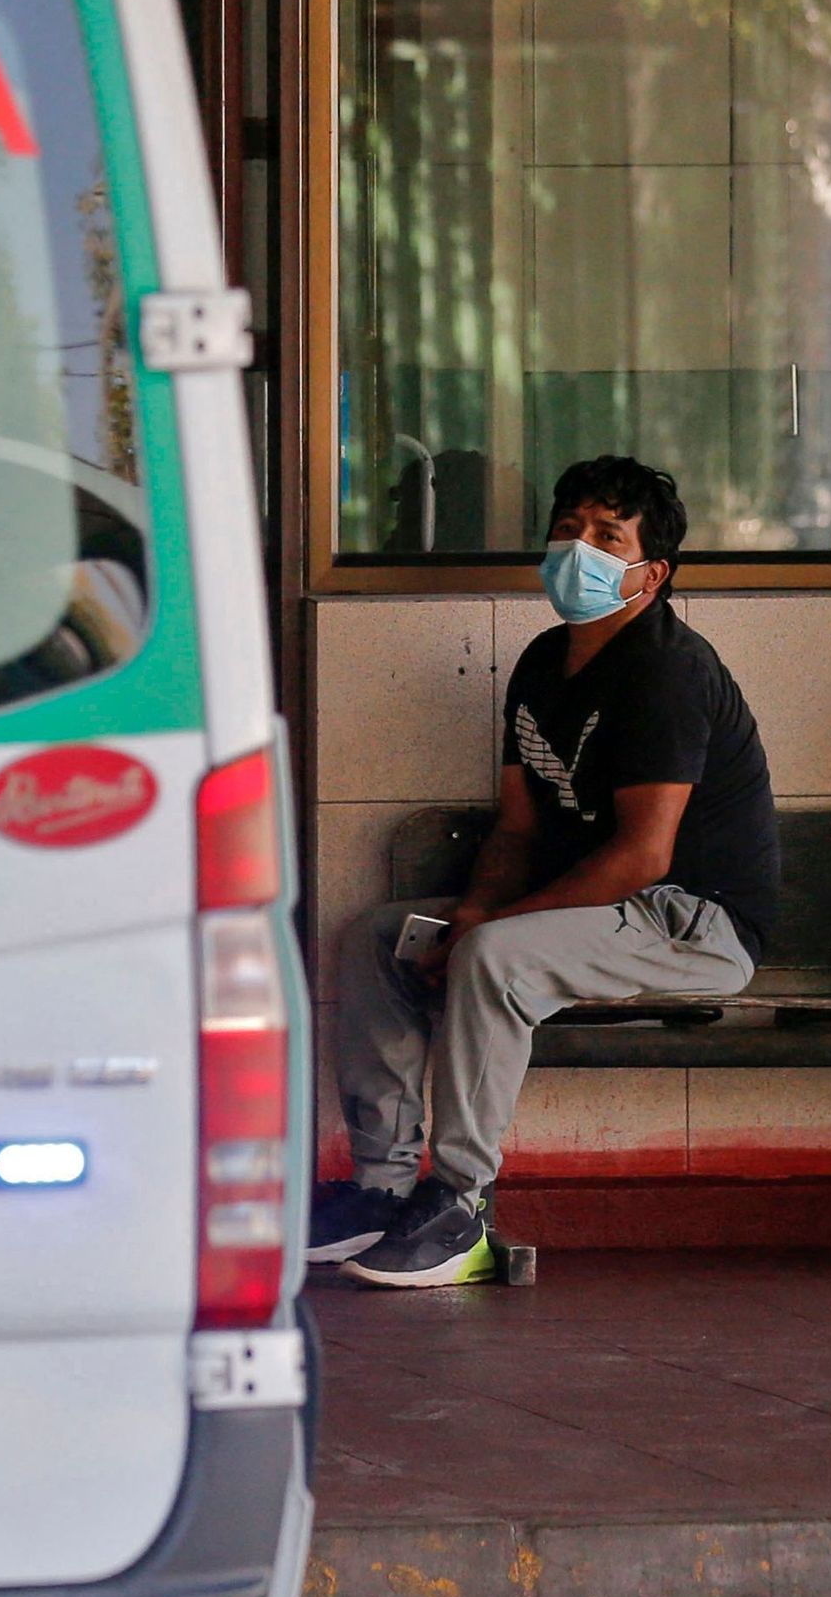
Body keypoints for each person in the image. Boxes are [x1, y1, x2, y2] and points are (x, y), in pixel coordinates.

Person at [315, 456, 780, 1288]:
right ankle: (383, 1189)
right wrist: (476, 907)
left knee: (495, 959)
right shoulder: (540, 663)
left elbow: (645, 855)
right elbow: (518, 825)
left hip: (692, 920)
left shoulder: (667, 668)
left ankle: (460, 1206)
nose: (580, 550)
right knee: (373, 940)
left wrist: (487, 931)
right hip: (589, 909)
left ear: (653, 572)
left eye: (608, 537)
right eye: (568, 530)